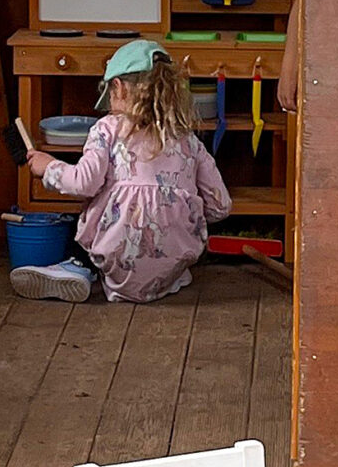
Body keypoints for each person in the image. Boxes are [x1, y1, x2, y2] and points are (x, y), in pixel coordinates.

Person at [20, 39, 233, 304]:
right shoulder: (187, 139)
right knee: (171, 225)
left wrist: (48, 167)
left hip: (117, 254)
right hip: (175, 261)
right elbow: (221, 205)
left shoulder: (106, 129)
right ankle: (169, 274)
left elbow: (83, 183)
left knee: (96, 203)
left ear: (118, 88)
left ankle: (81, 267)